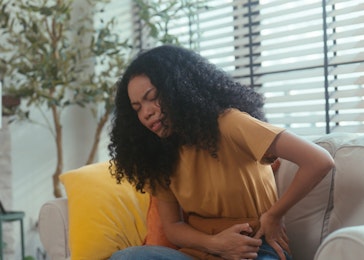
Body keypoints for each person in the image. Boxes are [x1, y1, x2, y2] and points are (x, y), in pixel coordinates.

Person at [108, 45, 334, 260]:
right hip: (201, 250)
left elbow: (318, 160)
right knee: (126, 257)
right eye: (137, 108)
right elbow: (173, 227)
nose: (146, 113)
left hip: (254, 247)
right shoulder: (158, 154)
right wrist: (215, 244)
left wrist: (274, 215)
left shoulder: (229, 124)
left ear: (179, 88)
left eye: (153, 97)